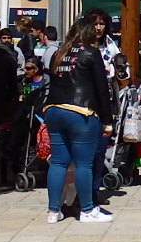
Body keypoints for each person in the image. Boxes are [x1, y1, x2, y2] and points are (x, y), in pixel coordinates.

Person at [42, 19, 115, 224]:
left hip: (54, 109)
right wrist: (107, 120)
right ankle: (87, 210)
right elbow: (102, 89)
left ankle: (53, 211)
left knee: (58, 162)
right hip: (81, 111)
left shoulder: (58, 53)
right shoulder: (91, 53)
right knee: (84, 163)